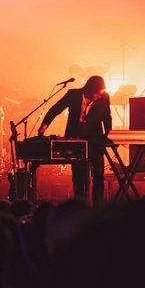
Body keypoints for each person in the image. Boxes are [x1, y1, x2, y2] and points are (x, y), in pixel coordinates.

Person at [37, 75, 111, 206]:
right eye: (98, 94)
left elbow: (107, 117)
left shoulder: (104, 98)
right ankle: (80, 208)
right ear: (91, 90)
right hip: (75, 140)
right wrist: (44, 126)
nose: (100, 96)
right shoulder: (73, 95)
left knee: (98, 177)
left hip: (95, 142)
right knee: (79, 178)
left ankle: (98, 209)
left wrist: (109, 135)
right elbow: (56, 109)